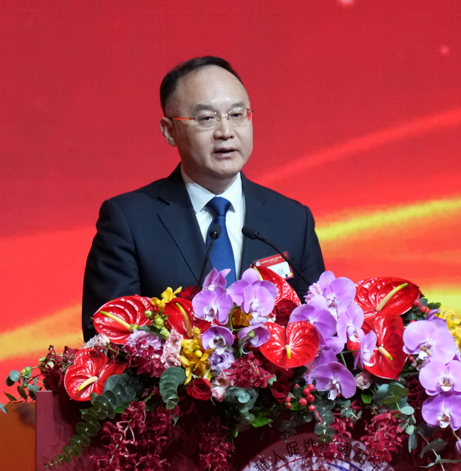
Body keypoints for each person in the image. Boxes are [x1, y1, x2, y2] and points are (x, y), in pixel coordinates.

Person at [81, 56, 325, 340]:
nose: (225, 132)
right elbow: (106, 338)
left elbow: (320, 331)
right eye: (207, 118)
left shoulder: (292, 220)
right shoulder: (129, 222)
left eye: (237, 115)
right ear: (169, 131)